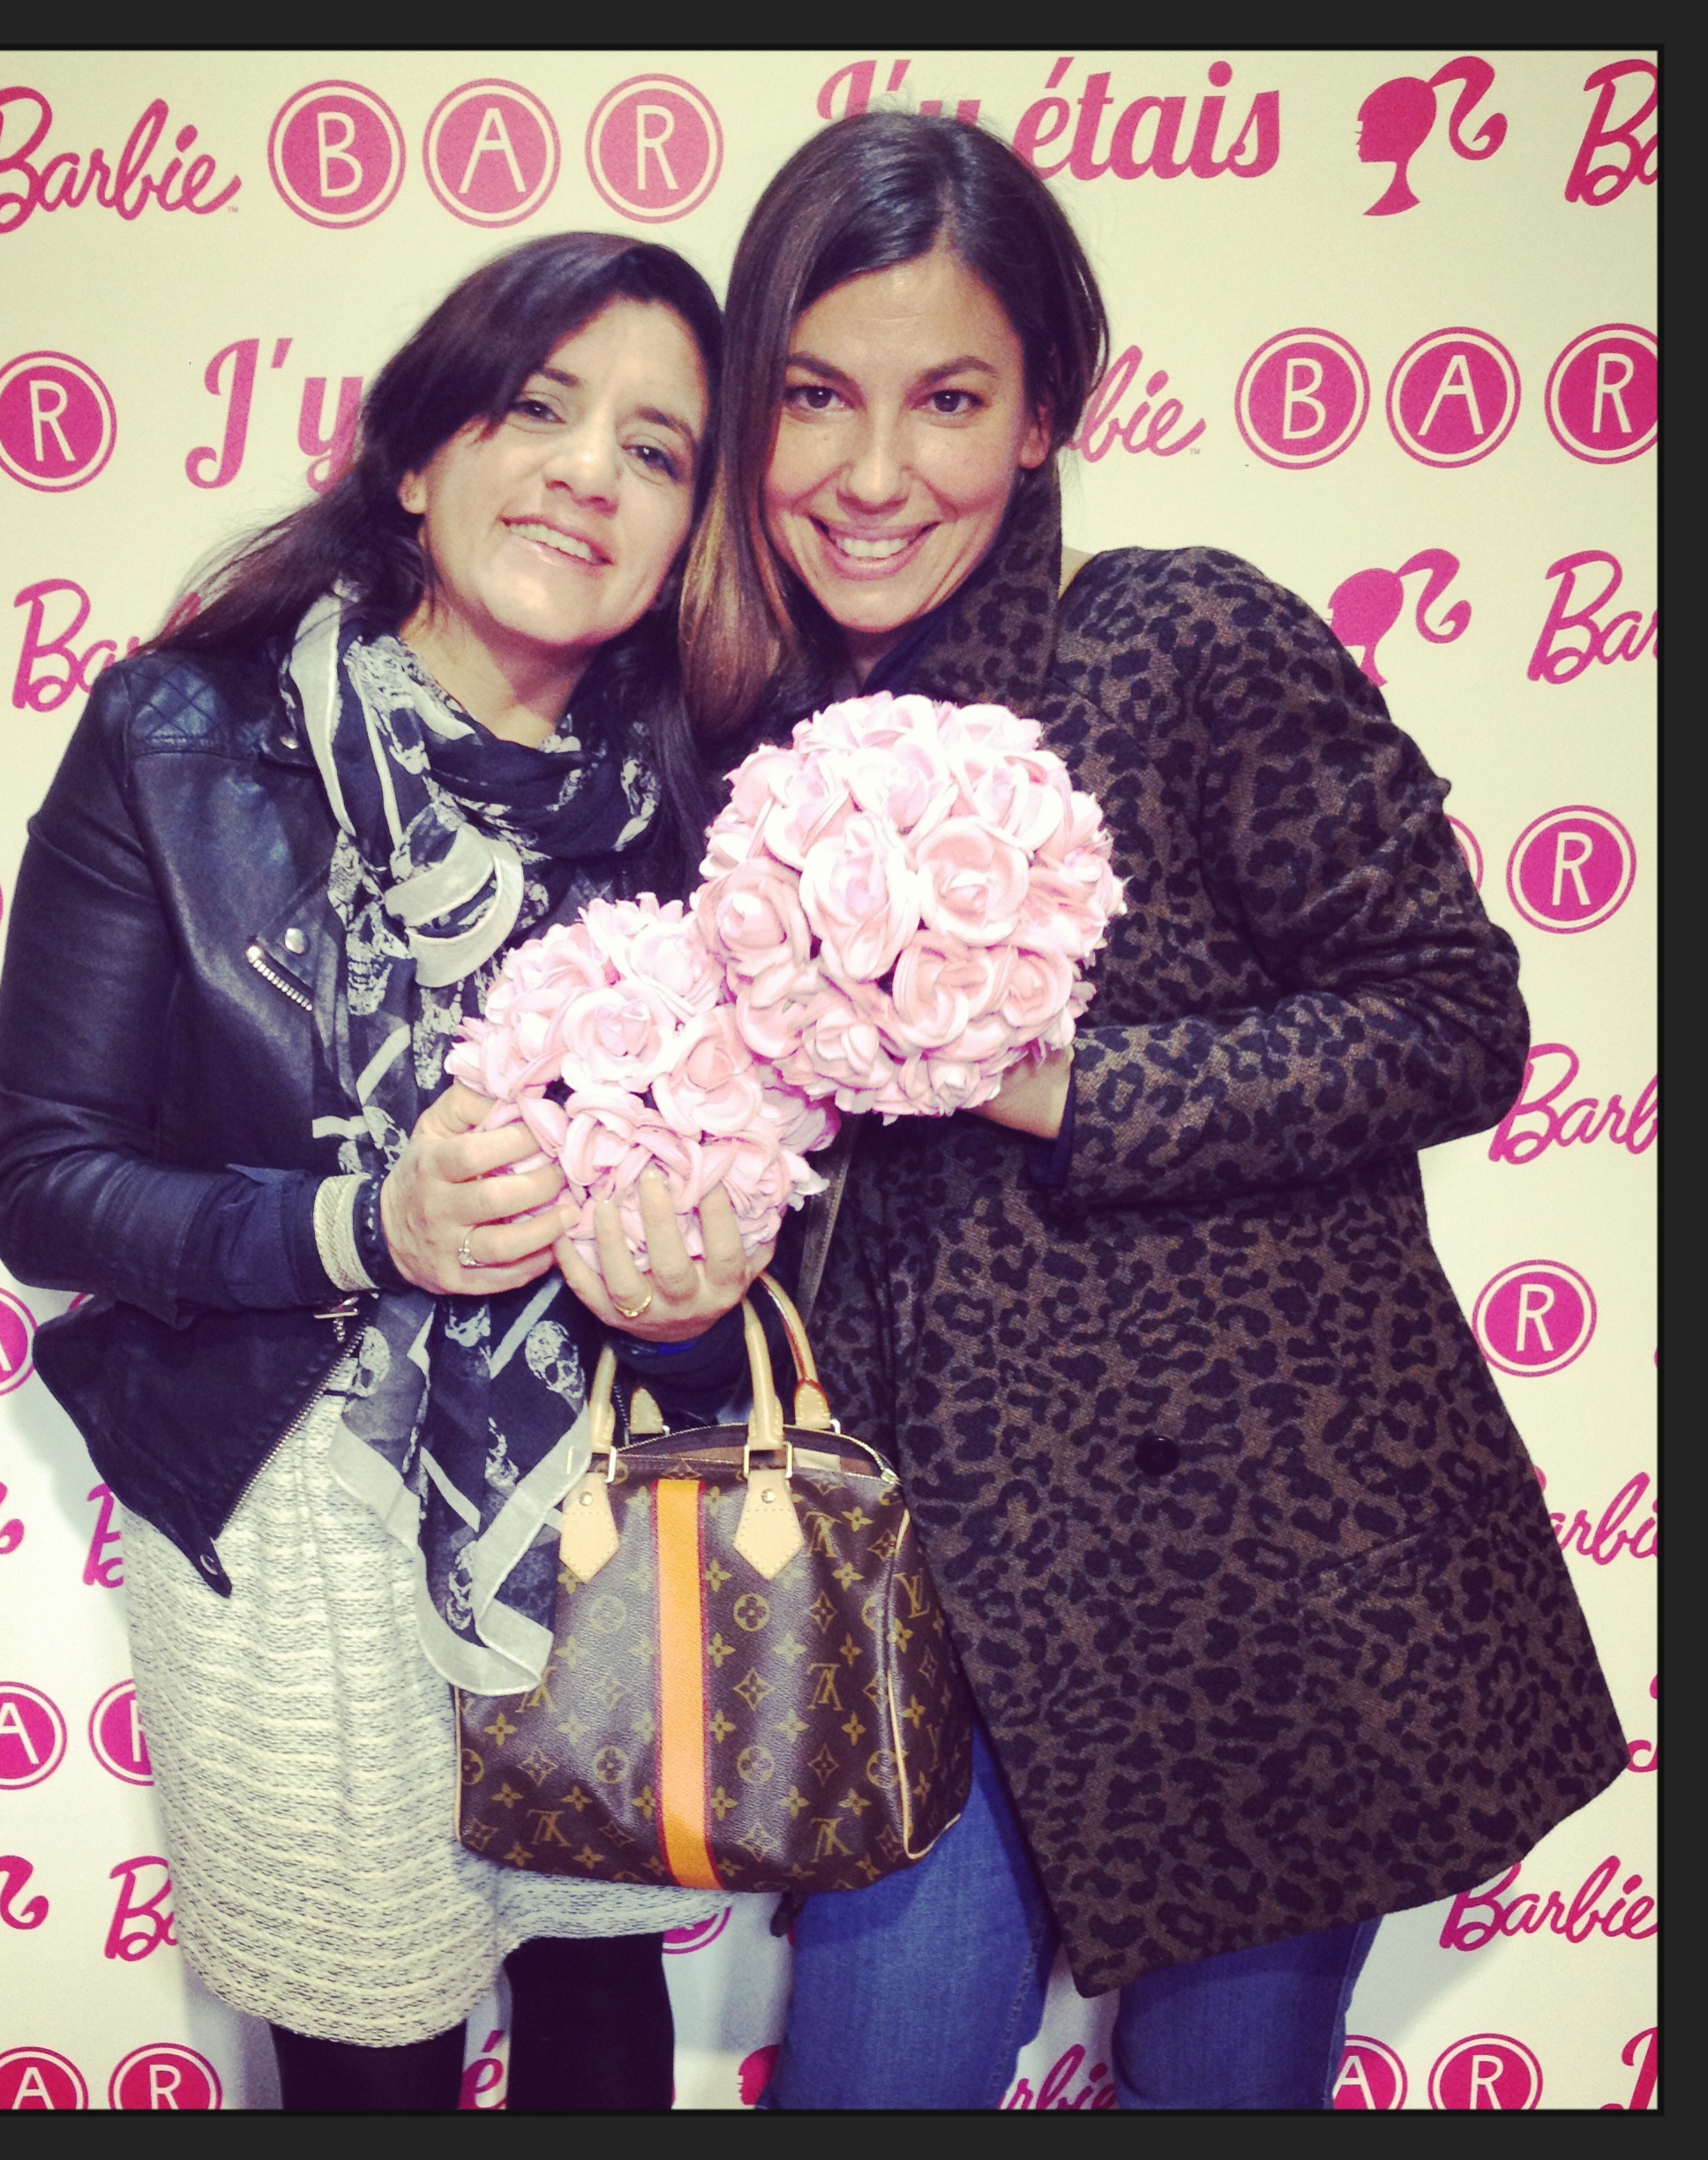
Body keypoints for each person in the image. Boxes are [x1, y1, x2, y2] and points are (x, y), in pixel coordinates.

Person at [675, 111, 1628, 2111]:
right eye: (815, 396)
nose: (872, 473)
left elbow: (1454, 1019)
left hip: (1250, 1584)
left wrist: (1055, 1081)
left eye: (948, 399)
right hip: (920, 1586)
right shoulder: (727, 737)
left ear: (1042, 415)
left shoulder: (1180, 637)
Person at [0, 231, 767, 2112]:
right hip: (290, 1505)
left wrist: (688, 1302)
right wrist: (364, 1224)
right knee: (368, 2044)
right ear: (418, 457)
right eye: (539, 408)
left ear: (690, 531)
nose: (589, 472)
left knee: (599, 2018)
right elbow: (46, 1179)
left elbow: (783, 1217)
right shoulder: (179, 737)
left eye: (657, 450)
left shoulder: (706, 800)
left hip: (598, 1509)